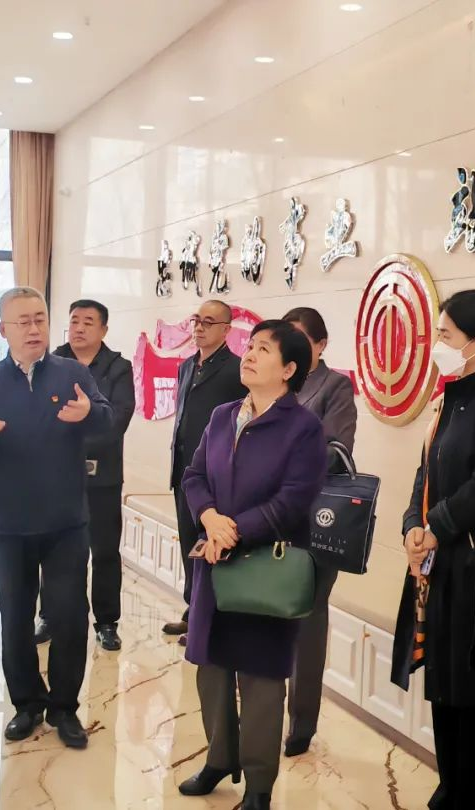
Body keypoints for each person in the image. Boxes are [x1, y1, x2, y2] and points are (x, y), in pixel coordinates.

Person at [0, 287, 113, 749]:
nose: (34, 328)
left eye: (40, 318)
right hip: (8, 524)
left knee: (69, 616)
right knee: (15, 618)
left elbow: (107, 419)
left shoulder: (73, 373)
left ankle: (64, 708)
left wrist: (88, 413)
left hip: (65, 522)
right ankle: (26, 704)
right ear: (4, 330)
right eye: (23, 321)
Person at [178, 320, 327, 810]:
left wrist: (233, 530)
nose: (249, 354)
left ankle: (260, 785)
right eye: (250, 345)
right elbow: (194, 475)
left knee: (262, 678)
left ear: (288, 369)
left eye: (264, 349)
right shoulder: (223, 415)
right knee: (211, 669)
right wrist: (209, 517)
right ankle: (218, 759)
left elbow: (293, 501)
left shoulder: (303, 428)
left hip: (265, 568)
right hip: (214, 561)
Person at [390, 290, 475, 808]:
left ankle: (470, 794)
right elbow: (426, 472)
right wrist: (412, 526)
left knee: (469, 693)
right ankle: (448, 788)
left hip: (473, 570)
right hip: (438, 566)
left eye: (445, 335)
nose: (437, 345)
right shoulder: (449, 399)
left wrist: (437, 526)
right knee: (441, 686)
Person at [33, 299, 134, 651]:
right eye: (74, 320)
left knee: (104, 552)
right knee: (55, 550)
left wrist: (72, 440)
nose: (78, 328)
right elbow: (40, 416)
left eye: (88, 322)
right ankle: (50, 615)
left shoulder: (118, 367)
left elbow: (117, 419)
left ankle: (106, 622)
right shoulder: (50, 362)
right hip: (56, 477)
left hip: (103, 476)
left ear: (103, 329)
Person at [280, 306, 357, 757]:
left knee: (307, 622)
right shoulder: (273, 383)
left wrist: (279, 457)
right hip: (269, 519)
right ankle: (264, 710)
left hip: (315, 521)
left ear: (321, 344)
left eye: (299, 337)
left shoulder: (335, 386)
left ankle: (301, 723)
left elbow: (335, 449)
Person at [163, 300, 247, 644]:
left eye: (208, 322)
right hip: (184, 471)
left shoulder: (236, 370)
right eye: (196, 320)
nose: (199, 327)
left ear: (226, 329)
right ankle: (193, 611)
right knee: (189, 545)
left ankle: (209, 622)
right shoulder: (186, 366)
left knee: (210, 547)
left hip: (215, 476)